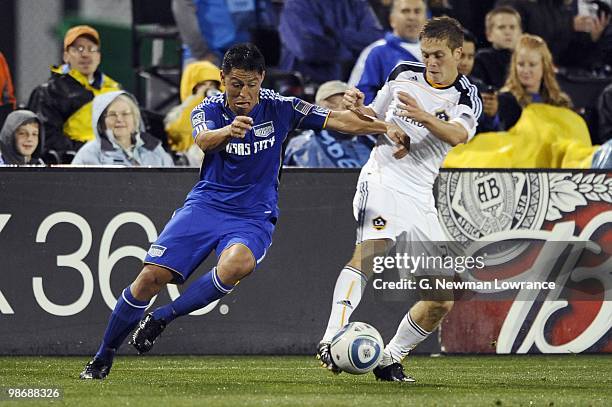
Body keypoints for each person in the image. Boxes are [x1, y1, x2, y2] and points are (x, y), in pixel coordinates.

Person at [79, 43, 409, 380]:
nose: (244, 93)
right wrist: (227, 131)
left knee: (239, 263)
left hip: (253, 214)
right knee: (149, 279)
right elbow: (204, 140)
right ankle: (103, 356)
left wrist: (387, 128)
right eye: (236, 84)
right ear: (222, 79)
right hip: (206, 205)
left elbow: (340, 121)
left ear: (262, 79)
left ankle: (163, 317)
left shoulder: (281, 107)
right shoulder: (207, 108)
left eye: (252, 84)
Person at [316, 17, 482, 382]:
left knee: (442, 298)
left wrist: (423, 116)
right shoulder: (403, 72)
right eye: (426, 55)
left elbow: (457, 135)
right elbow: (370, 117)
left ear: (459, 54)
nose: (431, 62)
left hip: (422, 195)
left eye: (438, 55)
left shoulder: (467, 96)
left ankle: (389, 358)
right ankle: (331, 338)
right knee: (372, 250)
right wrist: (356, 106)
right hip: (383, 178)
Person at [27, 25, 121, 164]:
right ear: (66, 56)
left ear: (99, 56)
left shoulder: (115, 90)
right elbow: (47, 138)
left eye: (91, 49)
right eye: (78, 49)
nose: (85, 54)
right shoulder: (50, 92)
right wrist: (92, 152)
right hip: (75, 164)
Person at [278, 0, 384, 83]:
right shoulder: (298, 3)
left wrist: (336, 34)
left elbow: (376, 40)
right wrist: (350, 51)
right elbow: (308, 49)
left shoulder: (356, 3)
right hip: (306, 85)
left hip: (352, 86)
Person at [349, 0, 428, 104]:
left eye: (417, 11)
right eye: (405, 11)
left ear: (426, 18)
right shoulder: (377, 51)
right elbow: (359, 95)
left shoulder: (438, 51)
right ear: (392, 19)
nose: (411, 17)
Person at [284, 80, 375, 167]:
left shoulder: (370, 141)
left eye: (348, 104)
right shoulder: (303, 145)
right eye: (333, 105)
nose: (342, 110)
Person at [71, 91, 174, 166]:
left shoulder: (155, 149)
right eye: (112, 114)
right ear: (101, 121)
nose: (119, 119)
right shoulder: (89, 153)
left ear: (135, 118)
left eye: (125, 114)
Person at [494, 34, 572, 130]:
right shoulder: (505, 100)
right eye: (521, 64)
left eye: (532, 65)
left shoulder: (559, 101)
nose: (526, 70)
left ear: (544, 66)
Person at [164, 60, 223, 167]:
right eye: (202, 85)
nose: (208, 89)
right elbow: (178, 132)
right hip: (189, 165)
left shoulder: (227, 109)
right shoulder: (178, 113)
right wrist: (198, 100)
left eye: (212, 85)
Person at [471, 6, 522, 90]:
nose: (508, 32)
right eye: (501, 27)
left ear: (520, 32)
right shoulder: (481, 59)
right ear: (489, 34)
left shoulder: (527, 58)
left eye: (512, 27)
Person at [458, 29, 500, 133]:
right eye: (461, 56)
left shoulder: (479, 88)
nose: (465, 62)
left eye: (470, 57)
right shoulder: (429, 85)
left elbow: (491, 132)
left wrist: (492, 116)